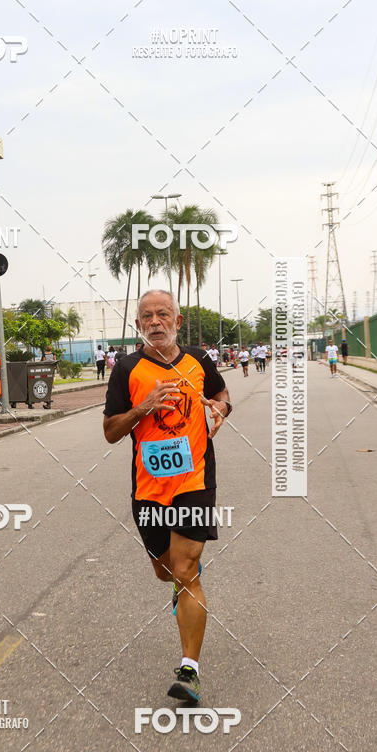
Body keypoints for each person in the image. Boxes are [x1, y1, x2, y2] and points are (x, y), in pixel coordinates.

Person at [103, 289, 231, 705]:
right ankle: (180, 588)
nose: (155, 321)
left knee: (186, 567)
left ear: (177, 320)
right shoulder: (127, 369)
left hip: (195, 481)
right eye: (147, 317)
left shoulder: (199, 361)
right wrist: (143, 407)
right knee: (166, 572)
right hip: (149, 489)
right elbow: (110, 431)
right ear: (139, 325)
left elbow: (223, 396)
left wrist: (219, 412)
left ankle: (189, 671)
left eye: (163, 314)